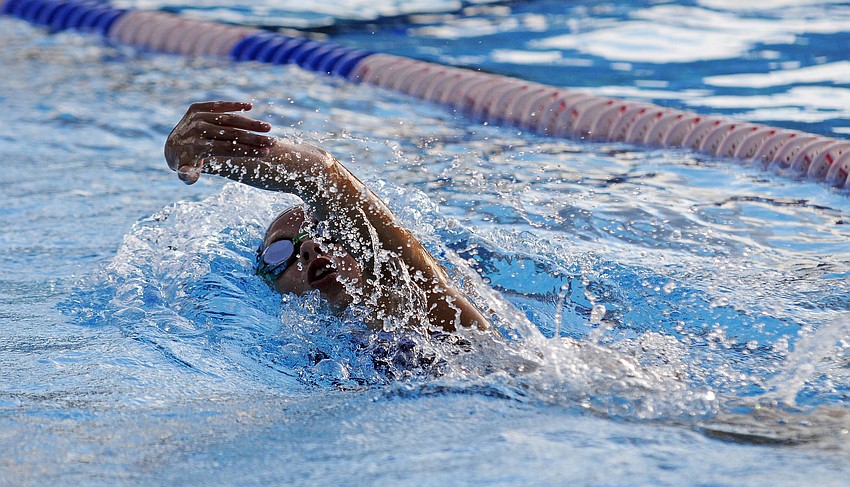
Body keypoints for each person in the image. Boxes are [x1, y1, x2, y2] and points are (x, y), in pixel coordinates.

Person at [165, 101, 490, 333]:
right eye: (280, 253)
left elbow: (323, 174)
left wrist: (204, 153)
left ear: (361, 244)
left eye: (328, 233)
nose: (308, 250)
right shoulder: (299, 360)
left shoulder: (434, 310)